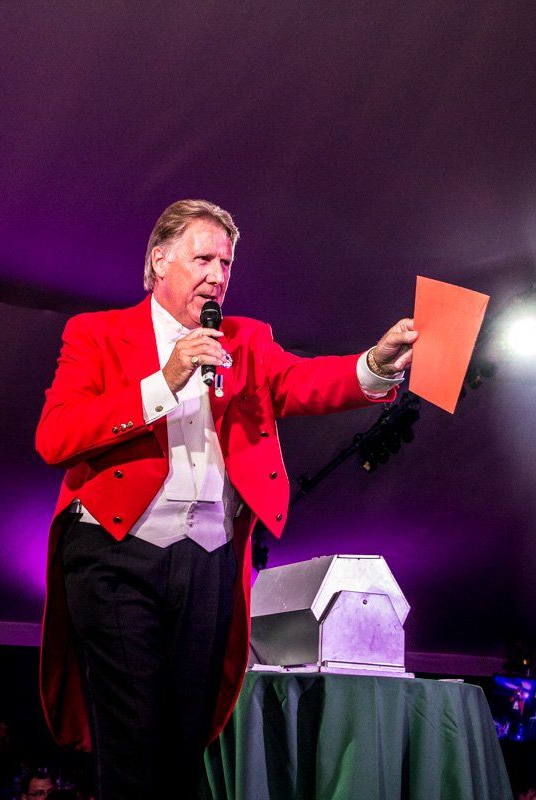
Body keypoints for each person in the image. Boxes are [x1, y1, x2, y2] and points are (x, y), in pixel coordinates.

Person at [35, 199, 417, 797]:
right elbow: (56, 437)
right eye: (203, 259)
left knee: (185, 739)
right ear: (159, 260)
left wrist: (374, 364)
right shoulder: (97, 333)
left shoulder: (247, 339)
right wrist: (164, 380)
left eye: (227, 263)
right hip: (115, 553)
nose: (218, 275)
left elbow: (303, 381)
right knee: (132, 736)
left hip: (209, 558)